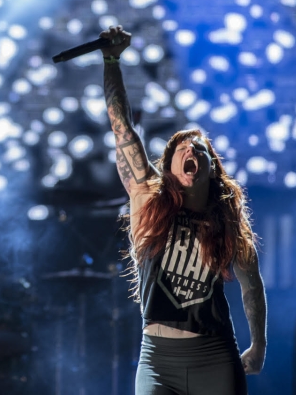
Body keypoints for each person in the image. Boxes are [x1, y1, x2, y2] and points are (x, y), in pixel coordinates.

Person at [98, 25, 267, 395]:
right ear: (170, 165)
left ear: (212, 168)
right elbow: (122, 125)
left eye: (200, 150)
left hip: (214, 354)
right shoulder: (147, 199)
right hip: (158, 358)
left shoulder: (228, 223)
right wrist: (111, 60)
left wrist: (259, 344)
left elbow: (251, 284)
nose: (191, 152)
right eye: (182, 149)